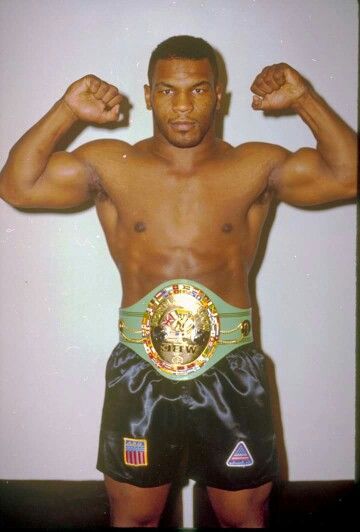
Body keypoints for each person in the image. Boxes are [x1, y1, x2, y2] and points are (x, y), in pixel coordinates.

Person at [0, 35, 356, 528]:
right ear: (148, 95)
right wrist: (67, 110)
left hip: (232, 368)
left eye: (198, 90)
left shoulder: (255, 164)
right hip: (141, 368)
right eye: (167, 91)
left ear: (219, 95)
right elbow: (17, 185)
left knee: (243, 517)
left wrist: (304, 99)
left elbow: (349, 176)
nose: (183, 106)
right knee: (136, 517)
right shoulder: (112, 164)